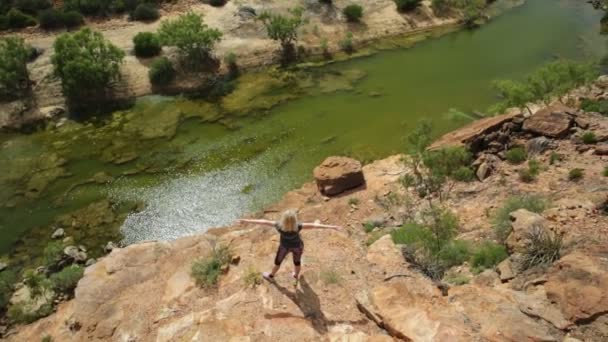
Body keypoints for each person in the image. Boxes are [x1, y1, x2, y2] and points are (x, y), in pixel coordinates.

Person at [237, 210, 341, 287]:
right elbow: (315, 226)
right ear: (295, 220)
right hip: (297, 247)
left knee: (278, 262)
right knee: (297, 262)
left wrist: (245, 220)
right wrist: (333, 227)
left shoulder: (279, 226)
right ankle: (295, 275)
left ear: (283, 219)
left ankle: (271, 276)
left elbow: (263, 221)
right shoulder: (298, 226)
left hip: (284, 247)